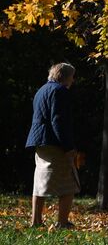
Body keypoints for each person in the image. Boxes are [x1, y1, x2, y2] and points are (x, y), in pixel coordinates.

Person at [25, 63, 79, 229]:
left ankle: (36, 221)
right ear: (65, 77)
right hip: (54, 143)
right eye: (72, 76)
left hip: (39, 142)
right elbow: (58, 121)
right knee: (69, 183)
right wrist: (69, 147)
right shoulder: (60, 91)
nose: (73, 80)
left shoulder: (41, 90)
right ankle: (62, 222)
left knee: (39, 182)